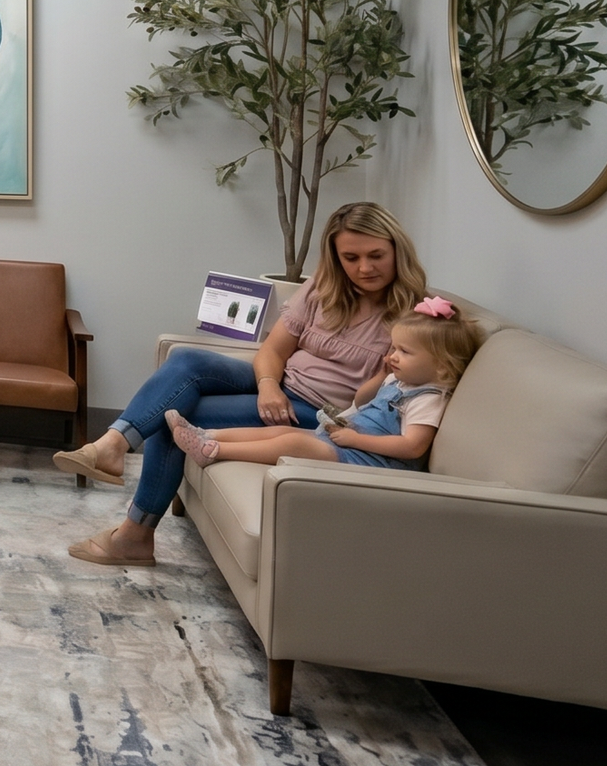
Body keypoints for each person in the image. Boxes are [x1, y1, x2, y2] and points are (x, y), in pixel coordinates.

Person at [56, 201, 429, 566]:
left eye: (376, 255)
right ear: (335, 258)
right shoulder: (323, 290)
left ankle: (134, 536)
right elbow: (272, 351)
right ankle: (114, 443)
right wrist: (268, 385)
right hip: (277, 387)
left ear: (397, 248)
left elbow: (402, 390)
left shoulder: (418, 317)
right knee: (185, 359)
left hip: (316, 412)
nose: (364, 268)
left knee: (172, 418)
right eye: (351, 258)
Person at [166, 298, 485, 471]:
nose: (394, 356)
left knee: (294, 444)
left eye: (404, 352)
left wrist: (354, 440)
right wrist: (380, 375)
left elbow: (412, 446)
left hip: (371, 461)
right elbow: (362, 401)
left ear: (441, 367)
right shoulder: (399, 379)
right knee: (284, 432)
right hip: (348, 440)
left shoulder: (428, 398)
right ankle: (205, 434)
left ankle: (214, 451)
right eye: (394, 349)